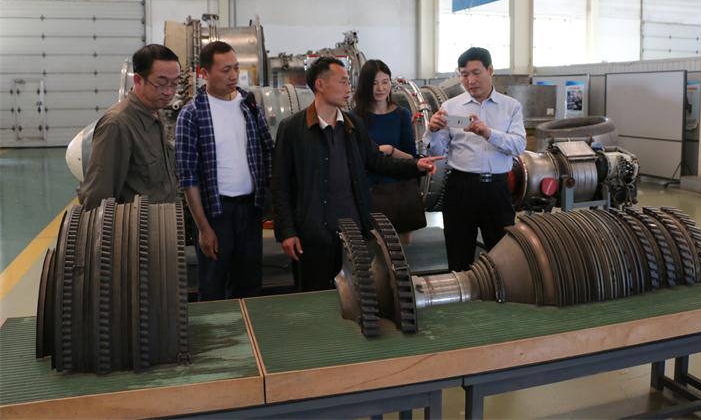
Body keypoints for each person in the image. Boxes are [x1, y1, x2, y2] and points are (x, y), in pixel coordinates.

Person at [272, 56, 442, 292]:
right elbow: (280, 185)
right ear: (320, 85)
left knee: (356, 296)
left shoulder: (353, 124)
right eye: (342, 81)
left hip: (353, 232)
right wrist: (287, 232)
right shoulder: (292, 129)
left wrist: (415, 165)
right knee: (314, 297)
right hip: (312, 234)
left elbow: (375, 161)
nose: (349, 88)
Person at [175, 41, 274, 301]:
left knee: (250, 284)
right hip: (216, 213)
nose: (234, 75)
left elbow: (268, 151)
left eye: (236, 68)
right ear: (204, 73)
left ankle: (249, 326)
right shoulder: (192, 114)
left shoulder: (249, 105)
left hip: (250, 210)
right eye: (226, 70)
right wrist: (203, 227)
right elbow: (187, 176)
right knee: (212, 286)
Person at [424, 47, 525, 272]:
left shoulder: (510, 107)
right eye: (464, 74)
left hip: (498, 190)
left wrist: (488, 133)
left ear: (490, 70)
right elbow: (438, 152)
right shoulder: (451, 107)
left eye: (476, 73)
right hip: (460, 188)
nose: (470, 81)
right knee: (459, 258)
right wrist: (432, 131)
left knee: (504, 258)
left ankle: (501, 293)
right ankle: (461, 293)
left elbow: (519, 145)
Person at [79, 44, 180, 210]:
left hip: (163, 221)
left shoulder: (155, 114)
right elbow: (97, 199)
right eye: (161, 84)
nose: (169, 92)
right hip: (139, 225)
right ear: (138, 80)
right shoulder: (117, 125)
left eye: (174, 84)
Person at [353, 59, 420, 244]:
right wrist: (377, 151)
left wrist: (389, 150)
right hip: (368, 191)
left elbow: (410, 158)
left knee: (398, 249)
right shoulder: (355, 117)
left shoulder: (402, 114)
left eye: (385, 82)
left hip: (397, 191)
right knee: (373, 248)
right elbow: (355, 158)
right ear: (365, 85)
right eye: (374, 83)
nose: (380, 88)